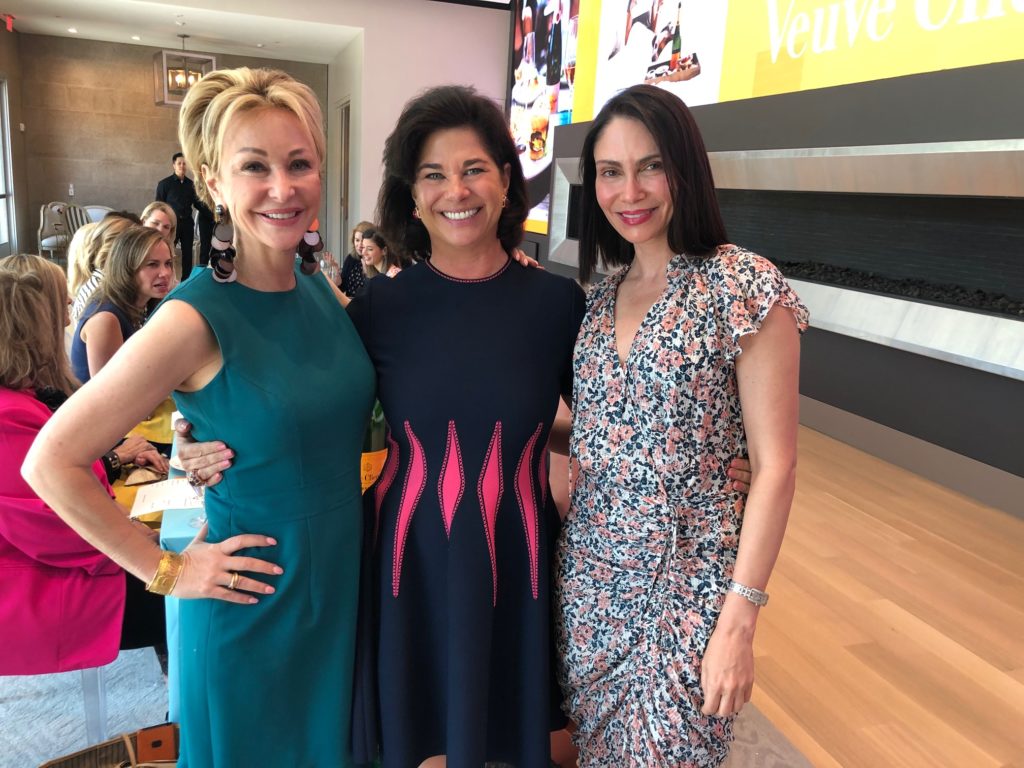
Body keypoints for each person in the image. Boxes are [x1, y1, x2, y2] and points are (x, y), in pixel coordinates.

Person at [24, 67, 375, 767]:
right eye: (255, 166)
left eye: (299, 163)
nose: (284, 186)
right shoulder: (192, 315)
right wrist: (165, 572)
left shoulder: (315, 286)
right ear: (213, 181)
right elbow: (50, 462)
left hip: (339, 585)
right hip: (253, 597)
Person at [554, 84, 808, 767]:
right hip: (590, 589)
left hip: (689, 593)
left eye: (651, 165)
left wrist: (739, 621)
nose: (628, 190)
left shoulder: (742, 285)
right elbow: (594, 423)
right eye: (610, 171)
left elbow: (777, 464)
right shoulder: (599, 297)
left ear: (685, 169)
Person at [0, 254, 166, 675]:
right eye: (62, 306)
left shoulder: (26, 395)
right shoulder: (8, 415)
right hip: (46, 587)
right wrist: (135, 540)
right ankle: (183, 717)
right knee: (190, 600)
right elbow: (55, 525)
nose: (73, 309)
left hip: (74, 557)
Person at [70, 225, 174, 385]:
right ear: (127, 268)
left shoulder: (147, 302)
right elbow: (108, 393)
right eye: (152, 264)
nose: (165, 273)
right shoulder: (105, 319)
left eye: (168, 263)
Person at [155, 152, 201, 279]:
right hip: (171, 225)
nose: (182, 166)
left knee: (187, 255)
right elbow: (158, 205)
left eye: (184, 163)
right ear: (174, 165)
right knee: (168, 253)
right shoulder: (164, 184)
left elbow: (197, 204)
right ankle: (169, 279)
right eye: (179, 163)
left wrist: (212, 212)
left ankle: (186, 281)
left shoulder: (191, 185)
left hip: (187, 224)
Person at [340, 220, 372, 297]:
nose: (359, 245)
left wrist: (368, 274)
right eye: (357, 240)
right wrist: (337, 281)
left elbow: (378, 292)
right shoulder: (350, 259)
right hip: (350, 305)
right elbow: (342, 289)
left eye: (363, 240)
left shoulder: (376, 260)